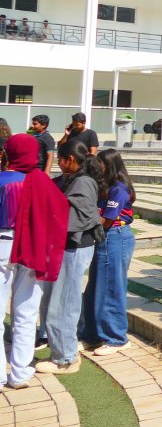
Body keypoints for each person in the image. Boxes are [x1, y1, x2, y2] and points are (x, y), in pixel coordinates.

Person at [0, 134, 69, 388]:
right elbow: (60, 210)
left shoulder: (2, 180)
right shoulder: (41, 181)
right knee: (26, 313)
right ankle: (19, 374)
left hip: (2, 245)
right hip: (32, 248)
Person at [35, 140, 103, 375]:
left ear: (70, 160)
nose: (58, 163)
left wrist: (48, 214)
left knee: (62, 303)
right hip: (65, 249)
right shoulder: (72, 178)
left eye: (60, 159)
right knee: (58, 300)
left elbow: (78, 218)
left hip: (73, 249)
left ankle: (65, 358)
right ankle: (65, 350)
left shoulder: (83, 182)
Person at [80, 149, 136, 356]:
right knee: (95, 288)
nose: (97, 167)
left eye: (100, 163)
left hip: (115, 237)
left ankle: (116, 338)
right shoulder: (105, 187)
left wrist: (85, 214)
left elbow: (107, 220)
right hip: (104, 238)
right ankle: (92, 335)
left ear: (109, 165)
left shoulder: (119, 190)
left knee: (111, 288)